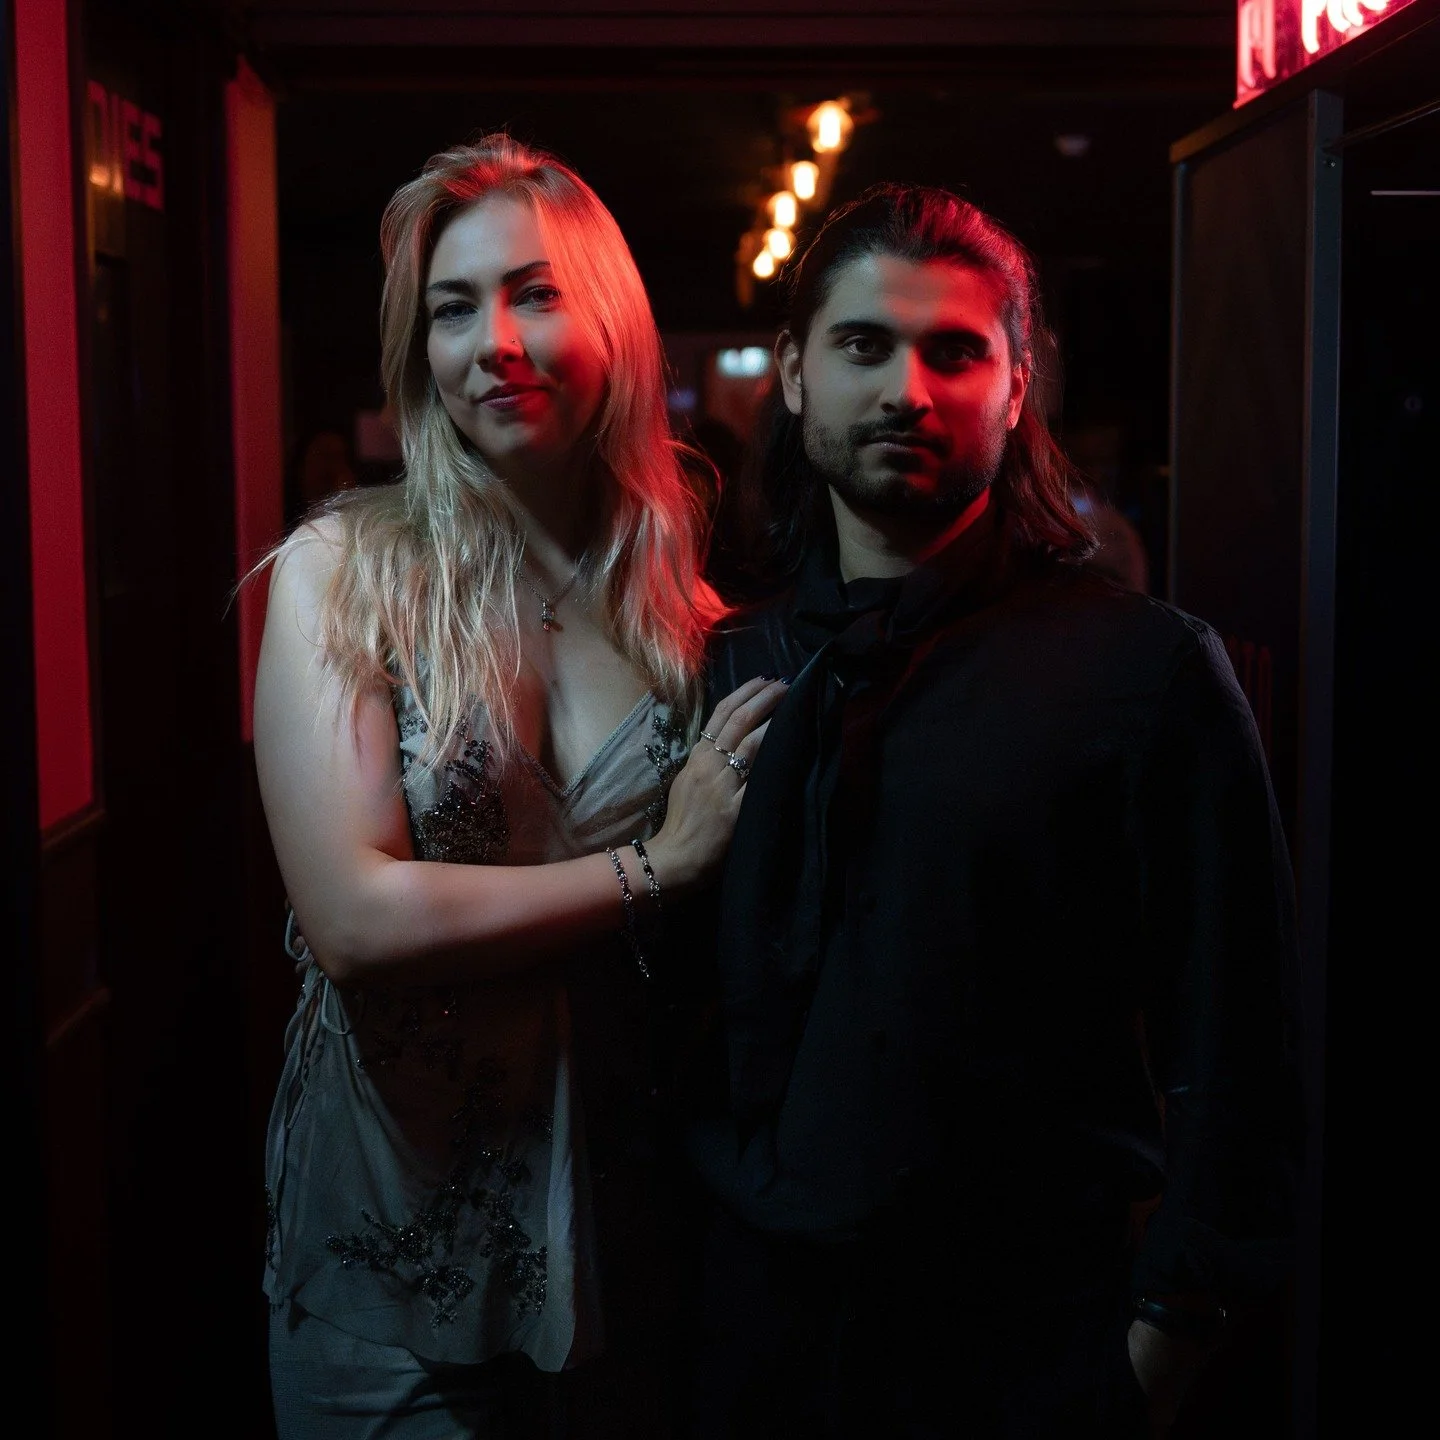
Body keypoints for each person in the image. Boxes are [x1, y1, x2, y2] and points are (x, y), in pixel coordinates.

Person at [684, 184, 1300, 1439]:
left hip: (1028, 1347)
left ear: (1019, 385)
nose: (907, 391)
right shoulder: (732, 660)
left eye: (955, 352)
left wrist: (1162, 1343)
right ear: (794, 374)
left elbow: (1242, 1038)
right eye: (865, 345)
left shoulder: (1145, 671)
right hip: (759, 1336)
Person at [252, 134, 787, 1439]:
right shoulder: (348, 569)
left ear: (612, 323)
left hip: (626, 1226)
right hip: (397, 1251)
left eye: (534, 295)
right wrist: (655, 866)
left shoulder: (678, 617)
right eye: (453, 309)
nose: (491, 342)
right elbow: (353, 918)